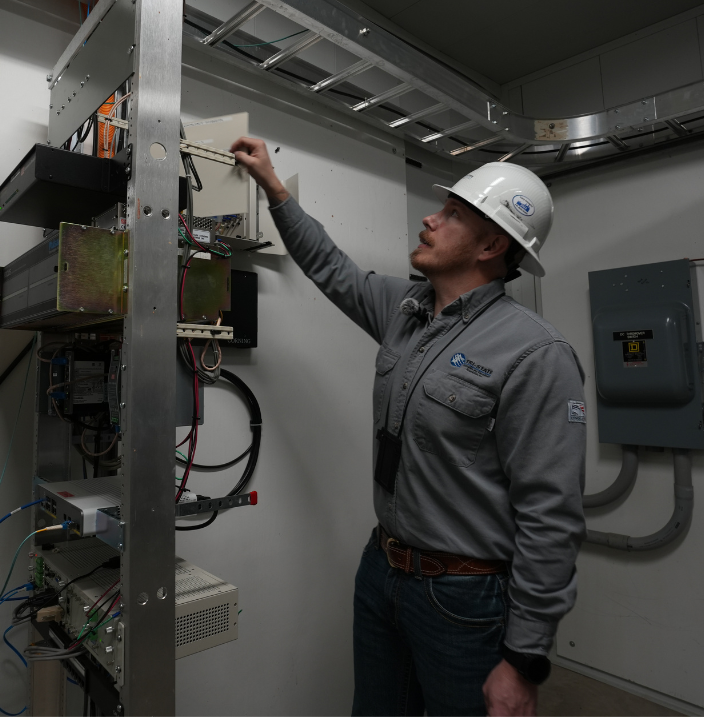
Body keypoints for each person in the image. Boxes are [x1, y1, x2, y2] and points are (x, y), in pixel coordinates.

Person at [230, 136, 587, 717]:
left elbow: (552, 514)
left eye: (453, 214)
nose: (430, 219)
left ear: (492, 245)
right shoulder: (406, 311)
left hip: (464, 597)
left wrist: (524, 658)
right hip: (382, 570)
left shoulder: (536, 353)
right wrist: (273, 187)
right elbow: (331, 267)